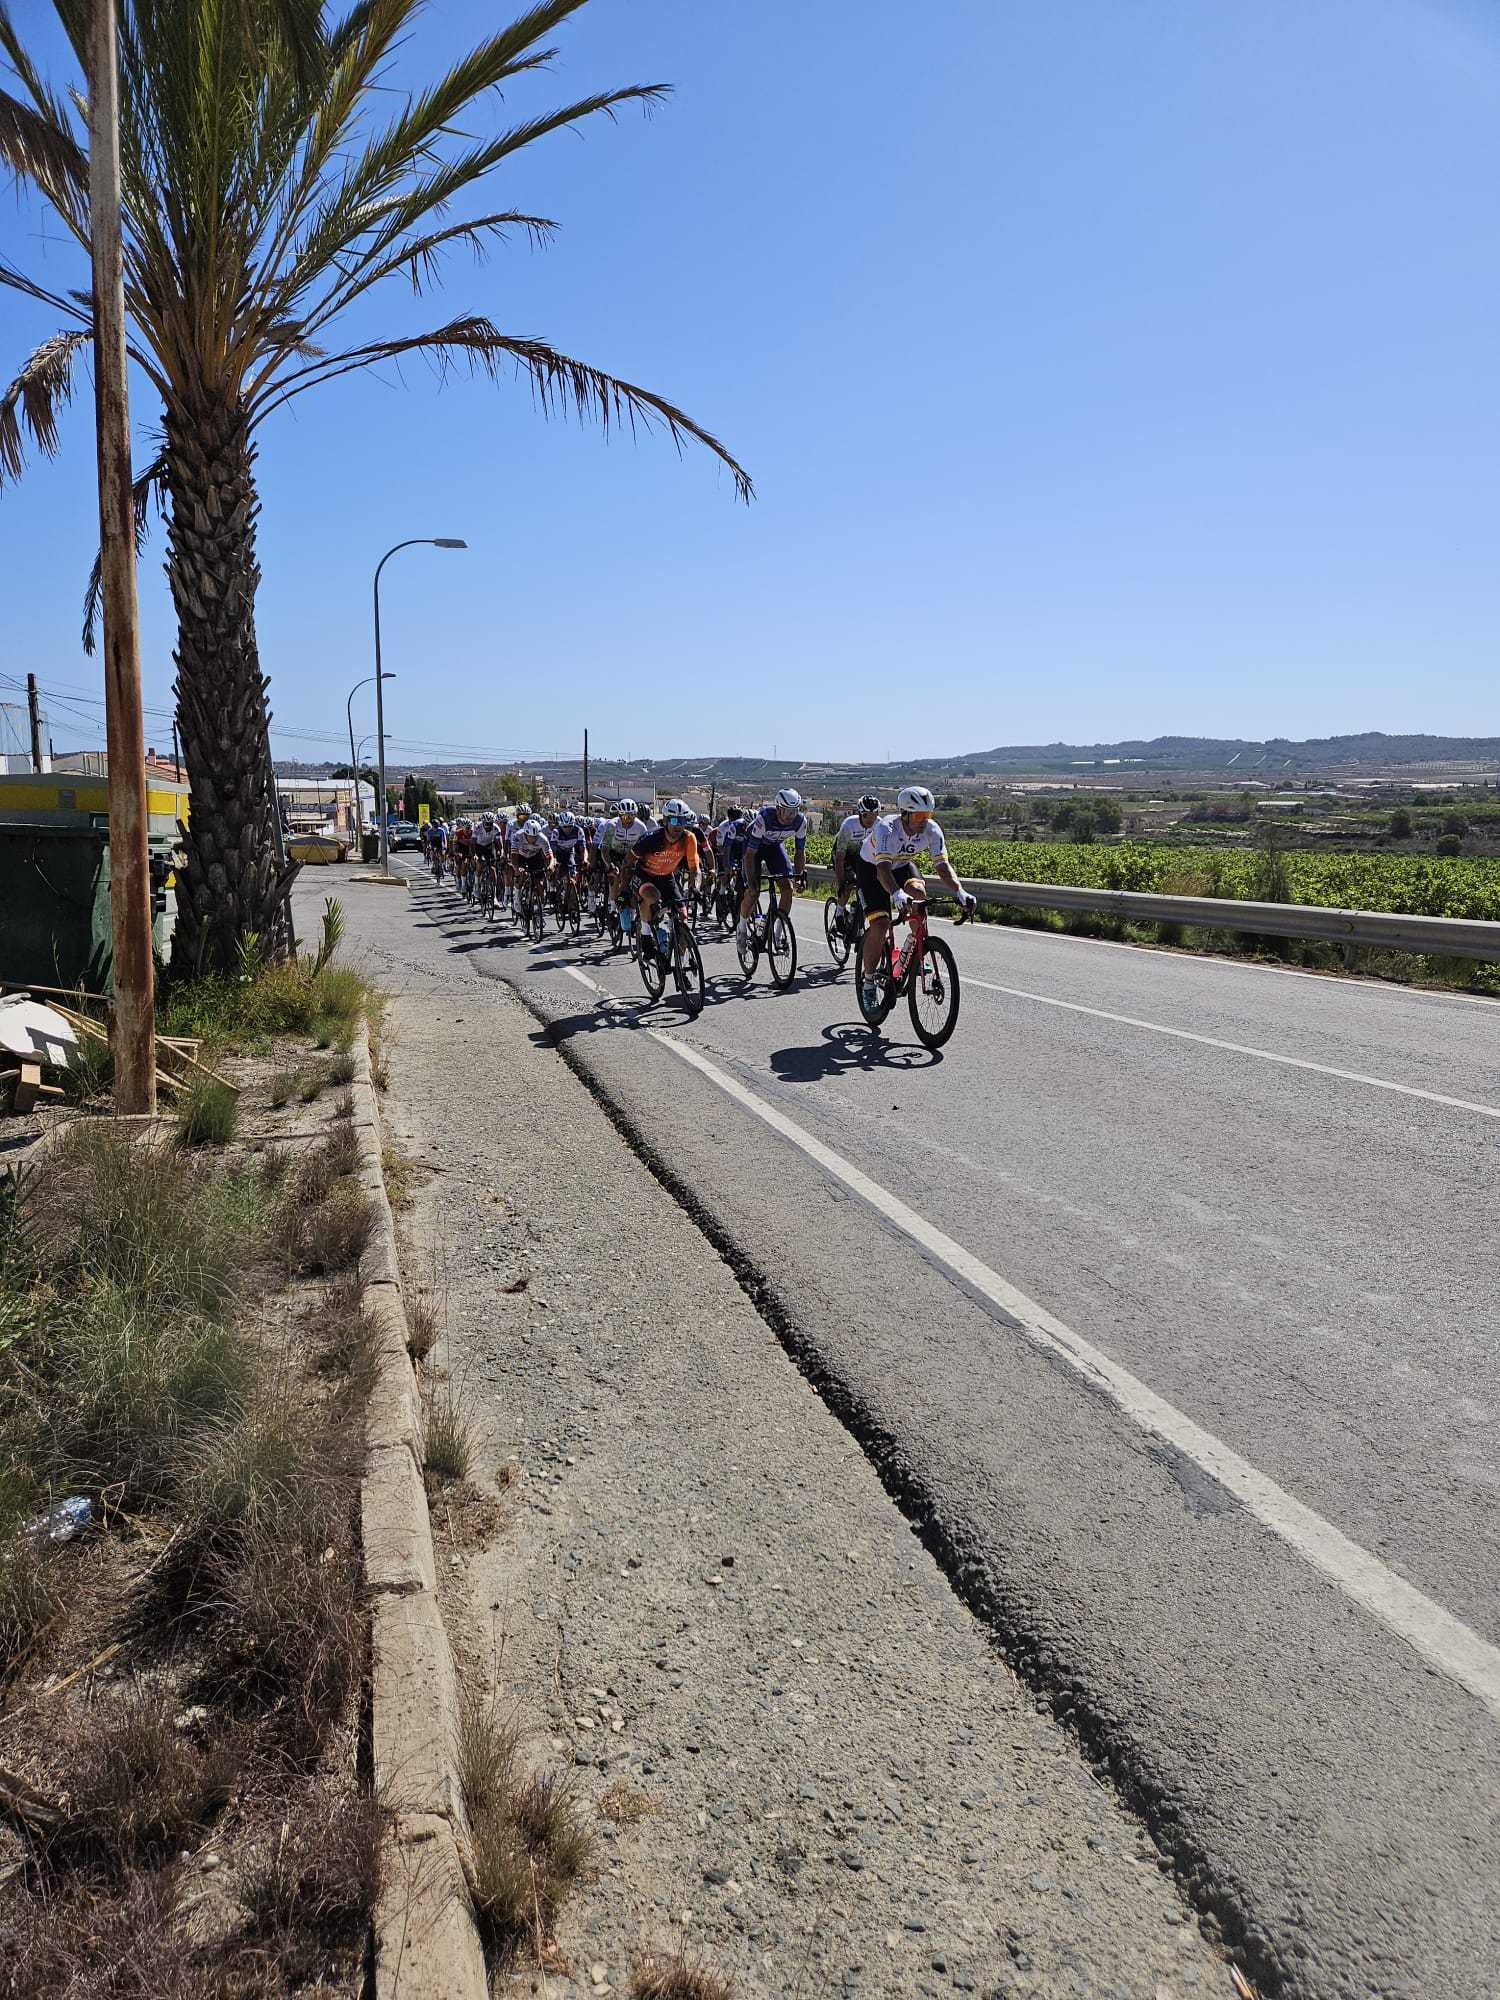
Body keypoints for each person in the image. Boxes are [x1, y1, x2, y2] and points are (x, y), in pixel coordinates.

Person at [856, 786, 976, 1014]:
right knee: (880, 925)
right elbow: (882, 870)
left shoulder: (932, 830)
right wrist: (896, 894)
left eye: (928, 815)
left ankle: (916, 949)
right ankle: (869, 981)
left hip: (901, 865)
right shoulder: (886, 828)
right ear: (905, 814)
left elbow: (942, 866)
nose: (924, 821)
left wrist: (960, 892)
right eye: (919, 816)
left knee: (919, 895)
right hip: (872, 868)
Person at [626, 799, 700, 953]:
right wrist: (623, 888)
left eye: (682, 820)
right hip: (645, 875)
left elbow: (695, 868)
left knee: (683, 917)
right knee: (653, 896)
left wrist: (696, 888)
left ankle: (681, 966)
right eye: (674, 820)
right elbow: (628, 861)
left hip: (666, 877)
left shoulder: (688, 838)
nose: (678, 825)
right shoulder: (651, 839)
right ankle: (646, 934)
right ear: (665, 821)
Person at [739, 788, 808, 947]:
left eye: (794, 811)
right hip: (753, 850)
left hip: (775, 848)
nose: (791, 816)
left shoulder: (800, 822)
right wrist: (751, 883)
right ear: (778, 809)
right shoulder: (764, 818)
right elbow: (749, 855)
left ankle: (777, 934)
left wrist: (799, 876)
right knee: (753, 892)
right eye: (787, 812)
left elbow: (799, 852)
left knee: (787, 889)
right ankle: (742, 927)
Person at [833, 795, 882, 913]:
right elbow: (839, 858)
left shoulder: (880, 825)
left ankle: (857, 909)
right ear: (859, 813)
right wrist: (841, 883)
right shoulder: (849, 825)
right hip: (844, 855)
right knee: (848, 884)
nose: (870, 819)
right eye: (866, 815)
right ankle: (839, 912)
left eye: (874, 815)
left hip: (861, 855)